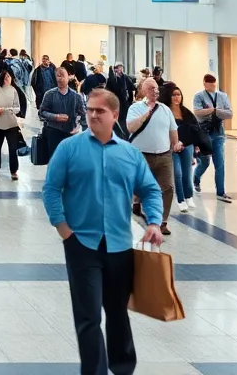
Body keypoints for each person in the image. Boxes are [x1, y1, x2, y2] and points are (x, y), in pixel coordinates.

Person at [43, 89, 164, 375]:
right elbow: (50, 189)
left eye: (100, 111)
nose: (93, 115)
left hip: (120, 246)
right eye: (90, 110)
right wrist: (63, 229)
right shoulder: (69, 148)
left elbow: (150, 189)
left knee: (118, 313)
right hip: (81, 244)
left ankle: (122, 368)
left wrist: (154, 222)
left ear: (115, 115)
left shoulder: (130, 154)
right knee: (87, 317)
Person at [126, 77, 178, 235]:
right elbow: (130, 128)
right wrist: (145, 115)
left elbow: (172, 130)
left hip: (164, 156)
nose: (155, 91)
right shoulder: (135, 108)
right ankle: (136, 201)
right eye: (150, 88)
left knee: (167, 188)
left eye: (156, 88)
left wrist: (175, 144)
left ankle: (162, 222)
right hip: (141, 156)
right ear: (143, 91)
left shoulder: (165, 109)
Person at [159, 82, 200, 213]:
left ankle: (189, 196)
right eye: (174, 95)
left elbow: (195, 129)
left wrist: (194, 145)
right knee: (177, 173)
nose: (177, 97)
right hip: (172, 147)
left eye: (179, 95)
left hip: (186, 146)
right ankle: (180, 199)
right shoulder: (165, 111)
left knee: (187, 173)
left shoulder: (186, 112)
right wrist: (173, 143)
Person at [192, 74, 233, 202]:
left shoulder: (222, 96)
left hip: (218, 132)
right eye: (209, 83)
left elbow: (229, 113)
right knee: (204, 162)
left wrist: (213, 111)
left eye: (213, 83)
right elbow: (197, 112)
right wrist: (215, 111)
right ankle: (196, 178)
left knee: (219, 163)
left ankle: (221, 192)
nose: (212, 85)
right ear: (204, 83)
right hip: (204, 133)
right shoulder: (199, 96)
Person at [40, 66, 86, 157]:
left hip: (70, 132)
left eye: (62, 75)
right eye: (58, 75)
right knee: (55, 160)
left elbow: (83, 115)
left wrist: (78, 125)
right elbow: (42, 112)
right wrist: (55, 117)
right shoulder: (49, 94)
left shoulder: (76, 96)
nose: (60, 78)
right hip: (53, 132)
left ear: (68, 77)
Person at [0, 68, 21, 180]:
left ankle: (14, 170)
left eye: (9, 77)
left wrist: (8, 110)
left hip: (11, 123)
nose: (7, 79)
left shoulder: (13, 91)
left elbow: (17, 108)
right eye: (5, 76)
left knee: (13, 148)